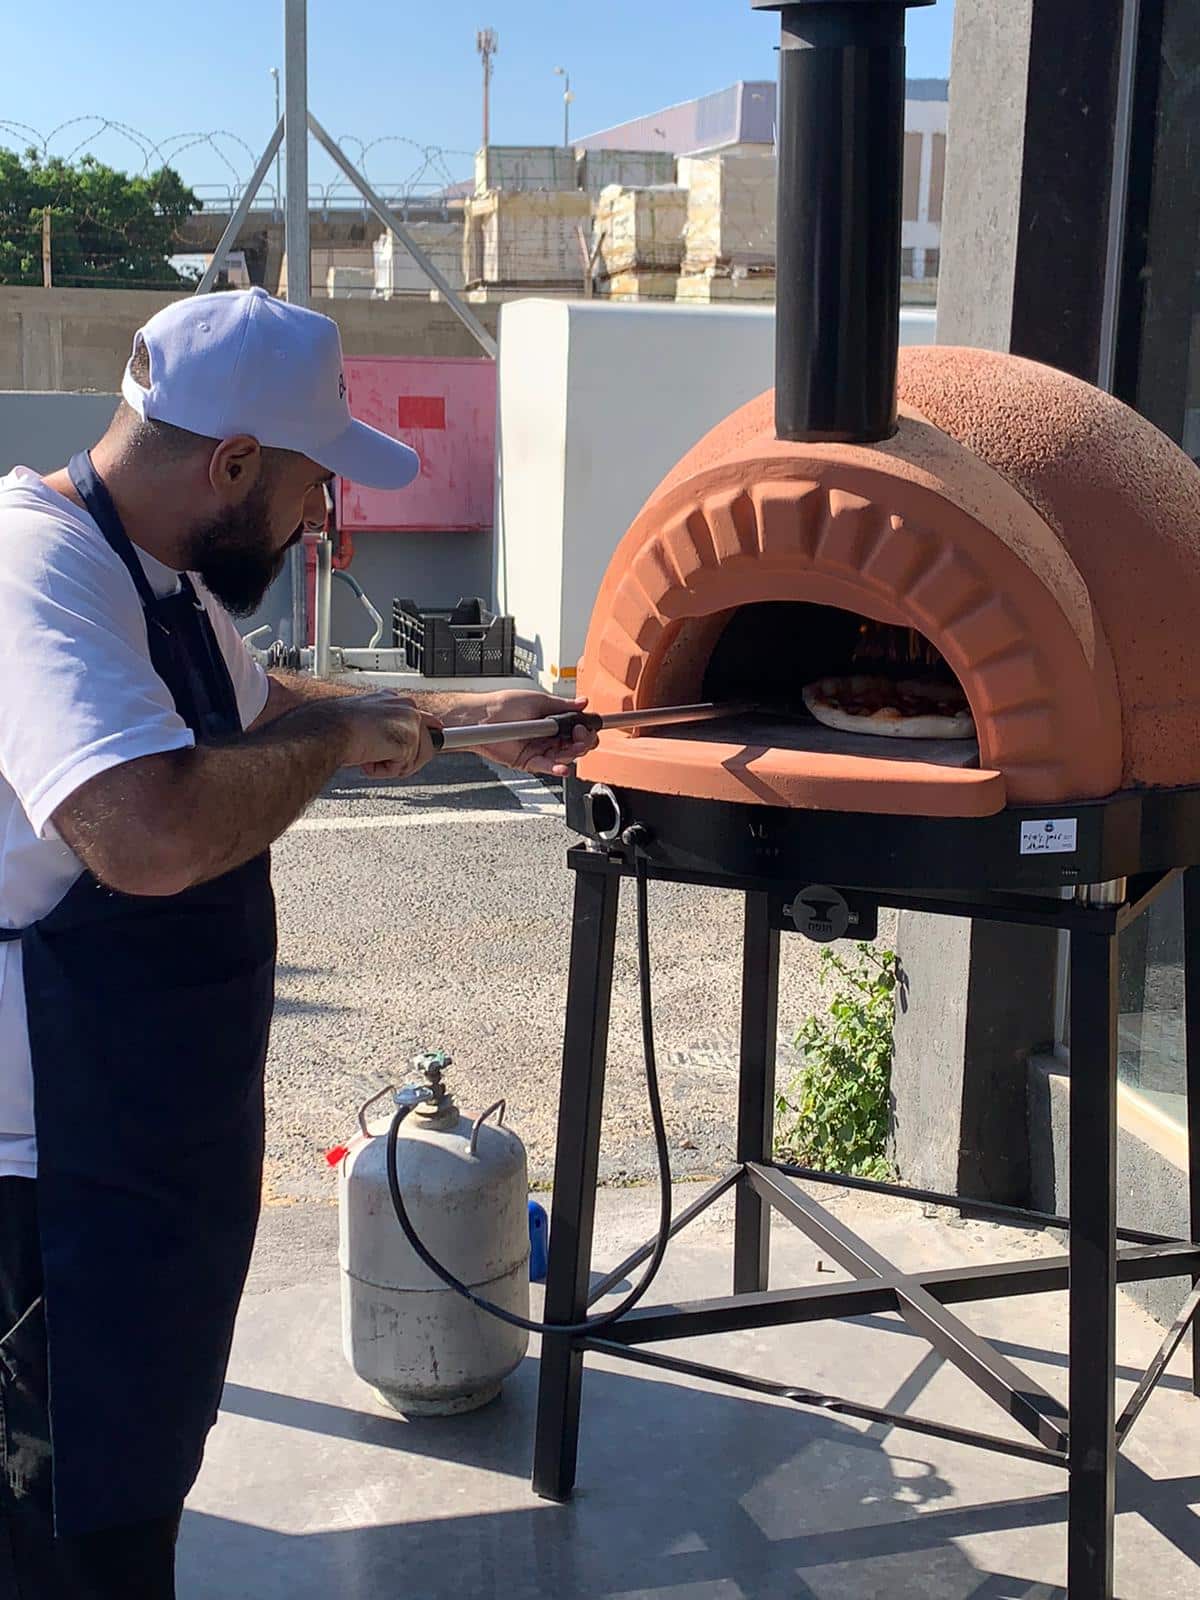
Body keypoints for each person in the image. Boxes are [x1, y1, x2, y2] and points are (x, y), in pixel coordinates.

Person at [0, 287, 594, 1598]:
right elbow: (144, 836)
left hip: (147, 1162)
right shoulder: (37, 571)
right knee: (67, 1548)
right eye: (313, 486)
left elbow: (283, 708)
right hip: (48, 1197)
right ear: (230, 463)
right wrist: (333, 742)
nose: (323, 516)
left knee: (134, 1507)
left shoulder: (162, 583)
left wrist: (466, 714)